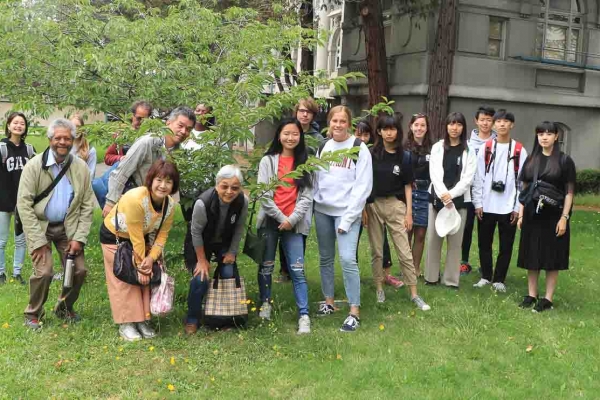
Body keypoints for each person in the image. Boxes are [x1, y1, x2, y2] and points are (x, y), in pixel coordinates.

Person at [17, 118, 95, 330]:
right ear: (50, 139)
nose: (62, 142)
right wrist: (37, 241)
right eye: (58, 138)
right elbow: (24, 205)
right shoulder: (34, 166)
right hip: (41, 226)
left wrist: (79, 238)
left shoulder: (80, 168)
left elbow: (87, 205)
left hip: (68, 227)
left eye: (67, 138)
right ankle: (33, 313)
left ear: (73, 140)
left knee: (78, 270)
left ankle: (64, 308)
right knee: (44, 272)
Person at [100, 160, 178, 341]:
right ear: (151, 180)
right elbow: (135, 237)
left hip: (142, 238)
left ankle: (142, 320)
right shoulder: (135, 199)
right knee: (125, 278)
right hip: (115, 236)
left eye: (168, 181)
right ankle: (126, 323)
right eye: (159, 180)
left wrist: (151, 259)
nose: (163, 185)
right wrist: (141, 267)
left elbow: (161, 237)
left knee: (145, 281)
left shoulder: (170, 205)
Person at [313, 105, 372, 332]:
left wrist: (348, 219)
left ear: (349, 124)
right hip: (323, 211)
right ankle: (329, 302)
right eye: (334, 120)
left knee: (348, 259)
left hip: (347, 213)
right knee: (326, 258)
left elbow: (363, 186)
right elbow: (316, 180)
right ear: (329, 122)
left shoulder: (358, 148)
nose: (338, 125)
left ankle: (354, 311)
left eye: (342, 121)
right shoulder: (323, 147)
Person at [366, 114, 431, 310]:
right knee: (377, 251)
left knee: (404, 251)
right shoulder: (370, 154)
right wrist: (363, 209)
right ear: (379, 131)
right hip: (374, 205)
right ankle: (379, 288)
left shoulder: (405, 156)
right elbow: (364, 182)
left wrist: (408, 212)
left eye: (392, 129)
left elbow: (408, 186)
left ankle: (414, 293)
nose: (389, 133)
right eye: (385, 129)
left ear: (398, 131)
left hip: (396, 205)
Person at [256, 119, 313, 334]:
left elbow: (307, 197)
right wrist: (282, 218)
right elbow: (263, 194)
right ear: (279, 135)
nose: (290, 137)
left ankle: (304, 315)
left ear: (300, 136)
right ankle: (265, 303)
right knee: (266, 266)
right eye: (286, 133)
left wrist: (291, 220)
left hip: (294, 224)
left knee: (297, 270)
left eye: (295, 134)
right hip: (270, 222)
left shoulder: (306, 163)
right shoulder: (268, 161)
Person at [517, 121, 575, 312]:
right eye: (541, 133)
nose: (544, 137)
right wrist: (521, 214)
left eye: (549, 134)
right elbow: (525, 189)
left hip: (554, 215)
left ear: (556, 136)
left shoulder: (565, 161)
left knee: (552, 256)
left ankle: (548, 298)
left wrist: (564, 218)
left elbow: (569, 192)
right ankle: (531, 294)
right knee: (531, 254)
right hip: (532, 214)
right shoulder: (531, 159)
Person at [185, 165, 249, 335]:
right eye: (224, 186)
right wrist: (201, 260)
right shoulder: (202, 203)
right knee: (200, 278)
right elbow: (195, 232)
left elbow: (239, 228)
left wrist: (232, 252)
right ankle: (192, 318)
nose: (229, 192)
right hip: (201, 242)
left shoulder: (243, 201)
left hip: (224, 242)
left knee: (228, 273)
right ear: (216, 185)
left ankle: (225, 317)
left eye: (235, 188)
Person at [103, 106, 195, 217]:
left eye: (188, 129)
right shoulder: (147, 142)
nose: (184, 131)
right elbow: (123, 170)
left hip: (154, 207)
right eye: (180, 126)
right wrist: (110, 202)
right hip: (131, 201)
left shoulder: (179, 153)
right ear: (168, 122)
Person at [472, 109, 527, 292]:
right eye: (499, 121)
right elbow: (478, 177)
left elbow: (522, 183)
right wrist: (478, 203)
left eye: (506, 121)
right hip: (487, 205)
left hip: (508, 206)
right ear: (494, 125)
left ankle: (499, 279)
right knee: (484, 243)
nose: (502, 124)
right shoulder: (486, 148)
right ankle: (486, 276)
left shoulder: (519, 150)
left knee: (506, 245)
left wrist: (517, 207)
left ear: (512, 125)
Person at [424, 112, 477, 288]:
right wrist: (443, 195)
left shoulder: (469, 150)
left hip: (459, 201)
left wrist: (451, 195)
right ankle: (431, 277)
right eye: (451, 124)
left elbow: (468, 178)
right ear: (446, 126)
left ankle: (451, 280)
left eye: (458, 124)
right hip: (437, 199)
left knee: (455, 243)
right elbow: (434, 174)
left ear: (463, 127)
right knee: (433, 240)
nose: (454, 128)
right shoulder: (437, 147)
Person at [276, 98, 324, 284]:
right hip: (285, 188)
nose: (305, 114)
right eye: (302, 111)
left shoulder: (318, 139)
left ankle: (297, 267)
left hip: (305, 189)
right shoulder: (287, 131)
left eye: (309, 112)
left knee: (300, 229)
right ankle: (284, 269)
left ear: (313, 115)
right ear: (296, 112)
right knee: (283, 225)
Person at [354, 120, 396, 286]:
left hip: (375, 201)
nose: (363, 139)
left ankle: (386, 274)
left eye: (366, 135)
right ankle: (353, 274)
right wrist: (362, 208)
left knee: (382, 239)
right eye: (359, 135)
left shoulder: (373, 153)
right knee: (353, 239)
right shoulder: (349, 154)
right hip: (356, 204)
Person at [93, 100, 153, 208]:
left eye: (145, 120)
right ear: (132, 116)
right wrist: (120, 158)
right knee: (97, 185)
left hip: (139, 185)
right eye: (138, 118)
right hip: (121, 180)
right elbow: (108, 157)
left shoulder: (151, 139)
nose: (141, 122)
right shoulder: (122, 134)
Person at [460, 106, 496, 275]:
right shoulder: (467, 144)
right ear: (476, 121)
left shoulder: (498, 143)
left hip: (489, 194)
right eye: (482, 120)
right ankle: (463, 262)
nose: (485, 123)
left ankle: (485, 263)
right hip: (468, 191)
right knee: (466, 227)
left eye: (489, 120)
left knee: (486, 229)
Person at [0, 112, 35, 285]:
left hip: (22, 202)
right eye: (15, 122)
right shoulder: (2, 148)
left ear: (25, 127)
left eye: (22, 123)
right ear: (8, 125)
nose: (18, 126)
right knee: (1, 240)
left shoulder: (29, 149)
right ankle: (1, 273)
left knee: (21, 240)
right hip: (3, 202)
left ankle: (17, 272)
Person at [405, 113, 432, 277]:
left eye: (422, 125)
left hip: (425, 192)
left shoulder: (433, 148)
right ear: (411, 126)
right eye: (416, 125)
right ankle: (407, 268)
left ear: (427, 128)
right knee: (407, 231)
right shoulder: (404, 147)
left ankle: (416, 268)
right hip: (408, 191)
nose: (419, 128)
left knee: (421, 233)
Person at [70, 114, 97, 178]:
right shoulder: (63, 148)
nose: (76, 129)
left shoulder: (90, 150)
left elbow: (90, 176)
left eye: (78, 126)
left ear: (83, 128)